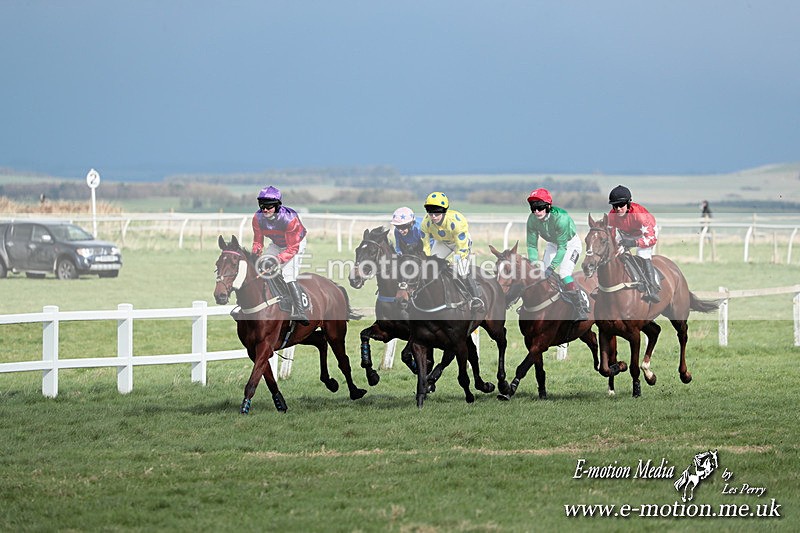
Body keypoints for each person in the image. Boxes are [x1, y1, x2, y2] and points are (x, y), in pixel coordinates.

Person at [526, 188, 589, 321]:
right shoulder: (532, 220)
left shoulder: (561, 218)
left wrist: (551, 267)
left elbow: (562, 248)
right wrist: (533, 264)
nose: (536, 211)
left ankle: (580, 306)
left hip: (570, 244)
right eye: (533, 208)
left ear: (548, 206)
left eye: (540, 207)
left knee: (563, 273)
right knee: (541, 275)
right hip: (552, 244)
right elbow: (532, 245)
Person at [251, 185, 309, 324]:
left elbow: (292, 248)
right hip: (277, 244)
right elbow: (258, 242)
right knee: (261, 267)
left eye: (269, 207)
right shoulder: (257, 218)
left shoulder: (289, 219)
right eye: (262, 206)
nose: (265, 210)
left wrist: (277, 260)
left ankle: (300, 311)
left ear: (277, 206)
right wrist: (255, 256)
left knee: (288, 274)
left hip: (296, 244)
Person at [420, 191, 484, 311]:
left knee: (461, 270)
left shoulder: (457, 222)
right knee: (430, 267)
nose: (433, 217)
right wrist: (426, 260)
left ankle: (476, 298)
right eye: (430, 213)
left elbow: (461, 248)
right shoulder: (426, 223)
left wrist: (455, 261)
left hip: (460, 244)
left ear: (444, 211)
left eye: (437, 213)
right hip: (442, 242)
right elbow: (426, 246)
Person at [607, 185, 660, 303]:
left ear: (628, 203)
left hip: (645, 234)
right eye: (615, 206)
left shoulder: (640, 215)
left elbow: (651, 239)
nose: (618, 209)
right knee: (614, 253)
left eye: (621, 205)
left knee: (642, 253)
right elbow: (611, 235)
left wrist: (633, 243)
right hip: (626, 233)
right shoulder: (612, 215)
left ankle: (652, 288)